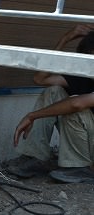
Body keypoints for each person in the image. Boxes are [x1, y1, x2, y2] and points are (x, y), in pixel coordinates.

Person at [8, 25, 94, 183]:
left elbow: (76, 104)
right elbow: (40, 79)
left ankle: (79, 168)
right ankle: (36, 156)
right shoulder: (85, 75)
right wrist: (64, 40)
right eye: (89, 57)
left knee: (74, 108)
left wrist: (32, 116)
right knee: (53, 92)